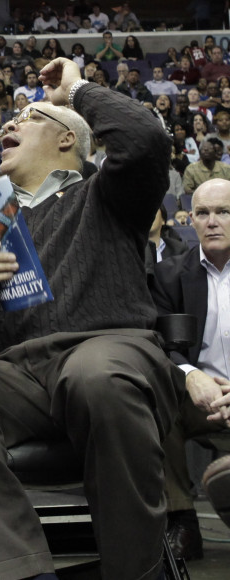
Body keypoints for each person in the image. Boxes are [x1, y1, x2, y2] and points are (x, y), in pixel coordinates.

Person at [0, 58, 180, 580]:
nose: (6, 123)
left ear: (68, 140)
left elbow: (143, 139)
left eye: (27, 117)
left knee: (96, 377)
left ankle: (137, 572)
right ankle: (18, 571)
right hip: (12, 376)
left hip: (105, 349)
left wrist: (74, 91)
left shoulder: (108, 194)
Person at [151, 178, 230, 560]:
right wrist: (191, 376)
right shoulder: (169, 275)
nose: (212, 221)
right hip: (198, 401)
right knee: (155, 399)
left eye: (223, 212)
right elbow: (161, 346)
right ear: (190, 220)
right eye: (203, 213)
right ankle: (182, 519)